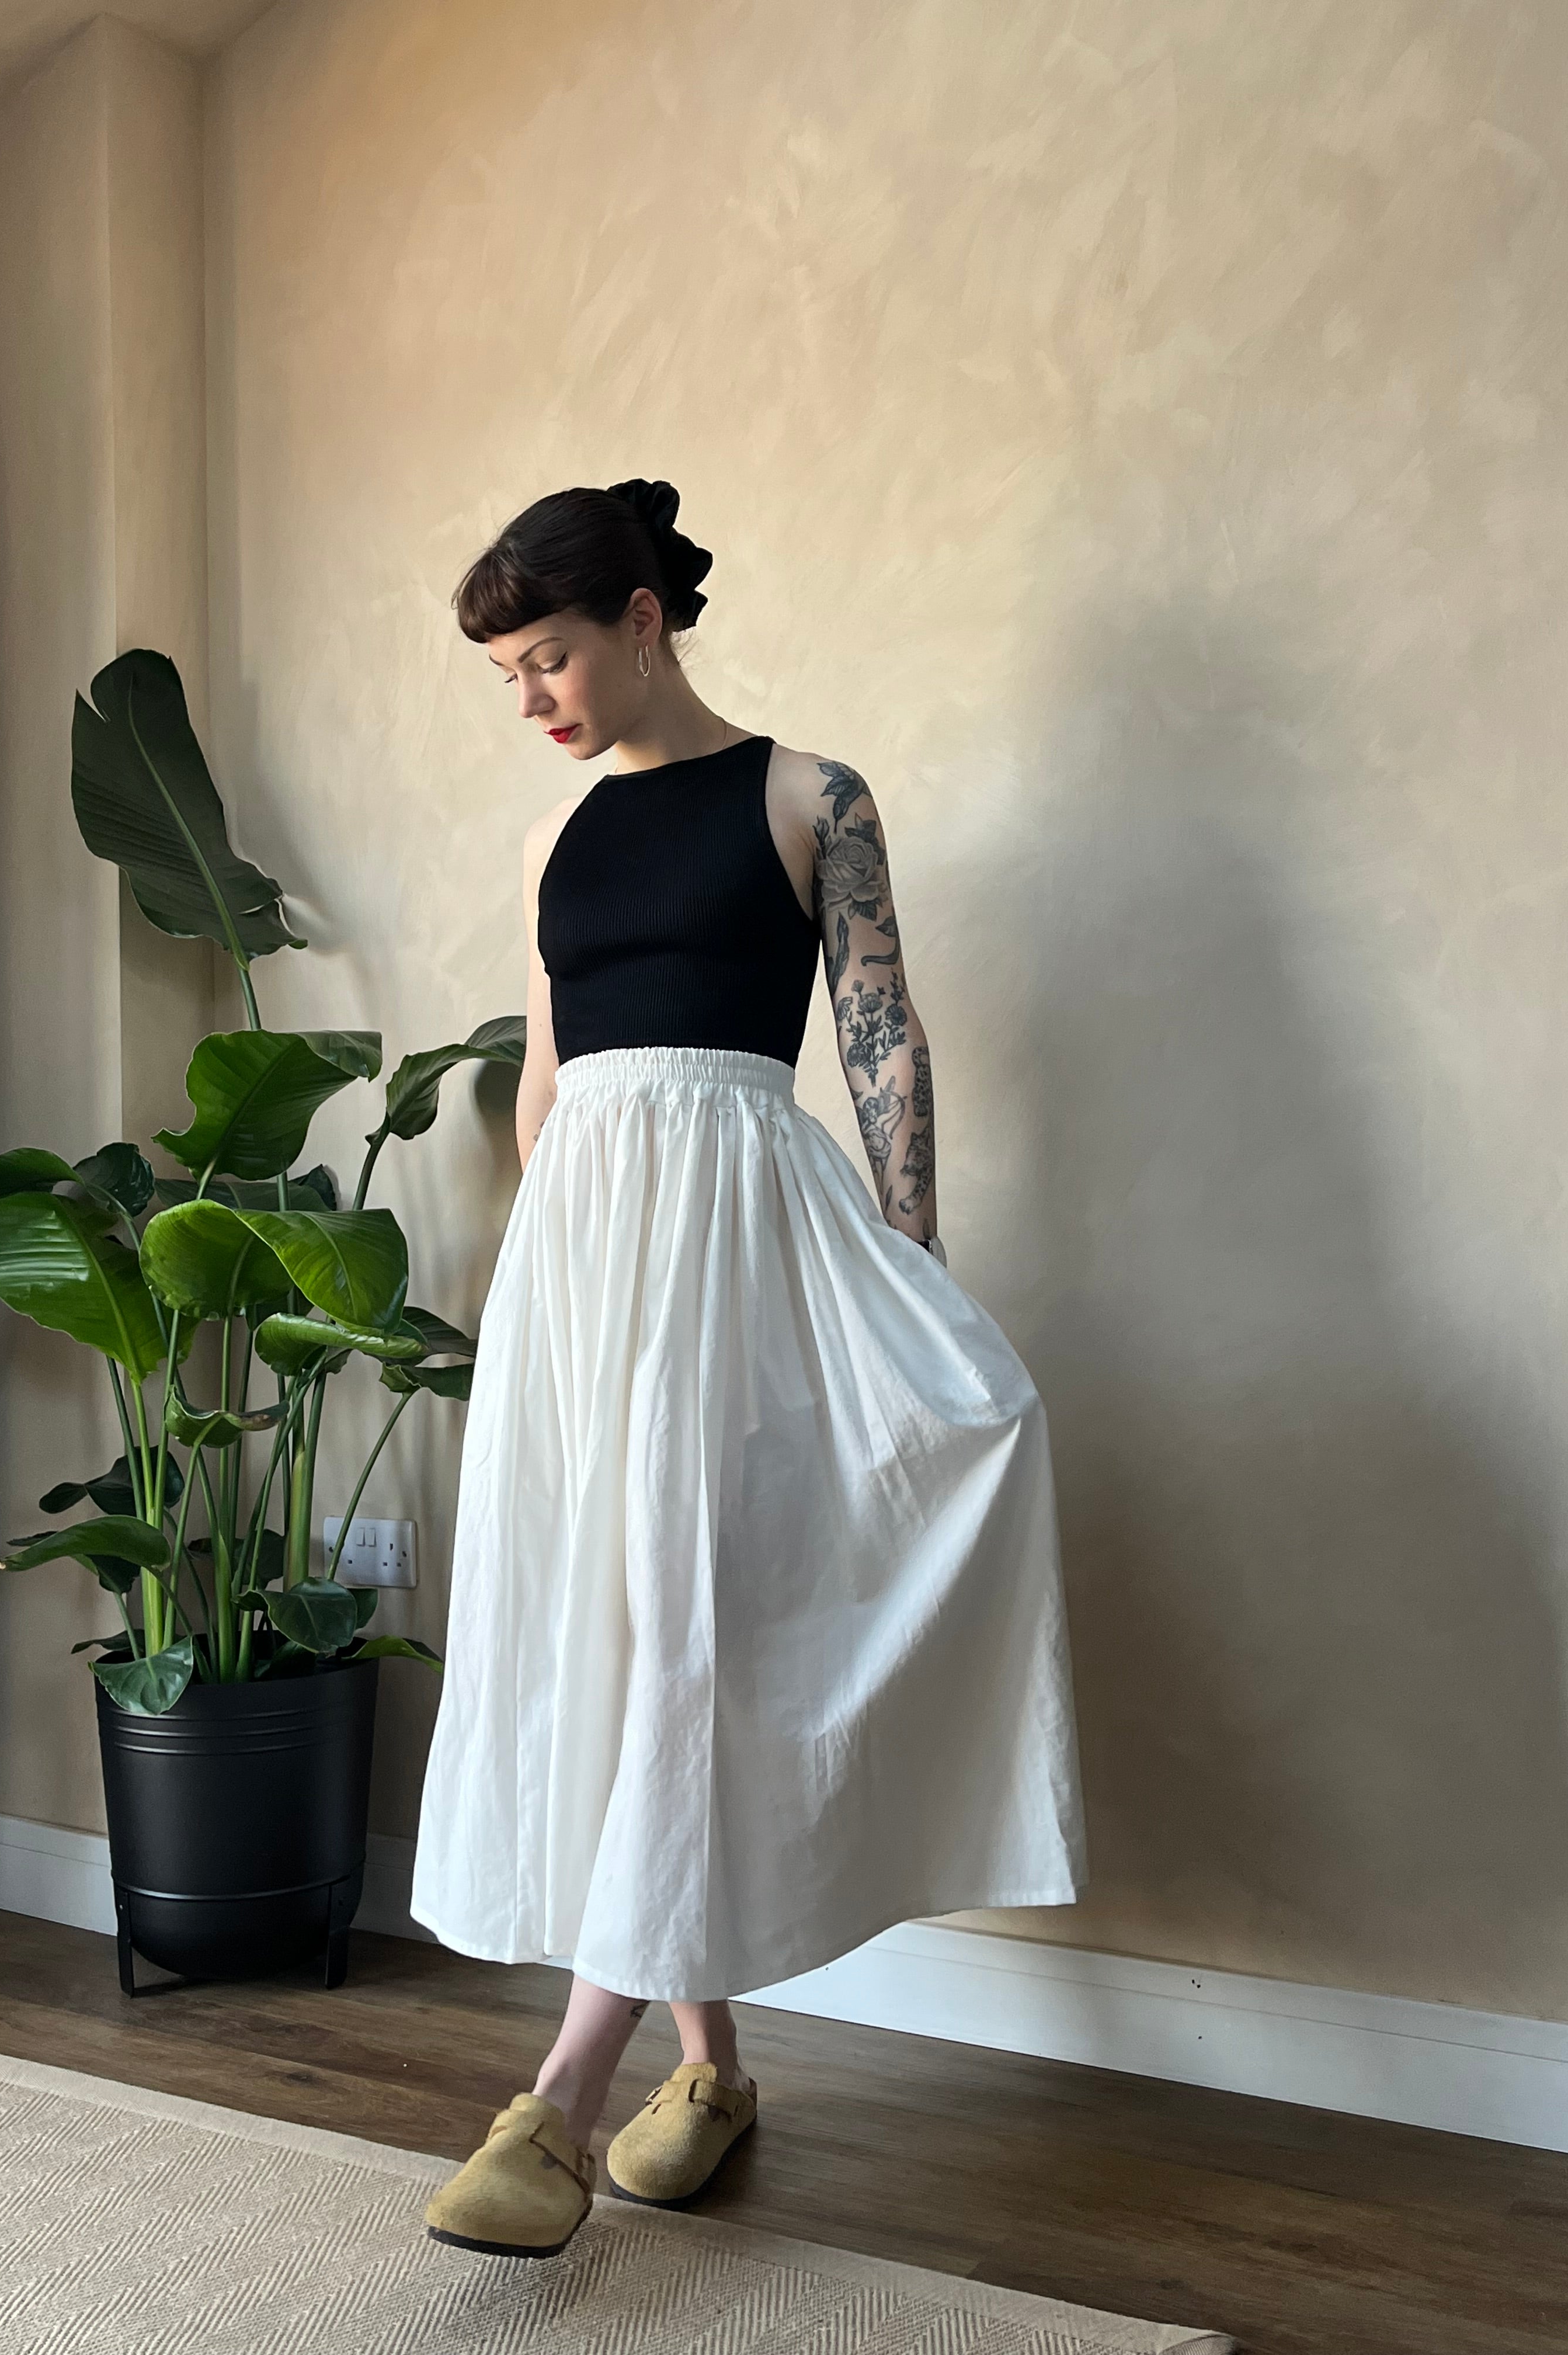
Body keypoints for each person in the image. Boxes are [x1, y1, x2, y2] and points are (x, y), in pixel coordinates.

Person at [411, 477, 1087, 2259]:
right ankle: (710, 2074)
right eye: (507, 676)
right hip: (588, 1277)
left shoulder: (809, 797)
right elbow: (549, 1087)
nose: (531, 700)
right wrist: (537, 1300)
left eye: (549, 659)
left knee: (691, 1630)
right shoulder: (560, 843)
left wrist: (909, 1276)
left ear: (642, 620)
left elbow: (882, 1038)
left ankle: (562, 2100)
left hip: (745, 1255)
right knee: (631, 1632)